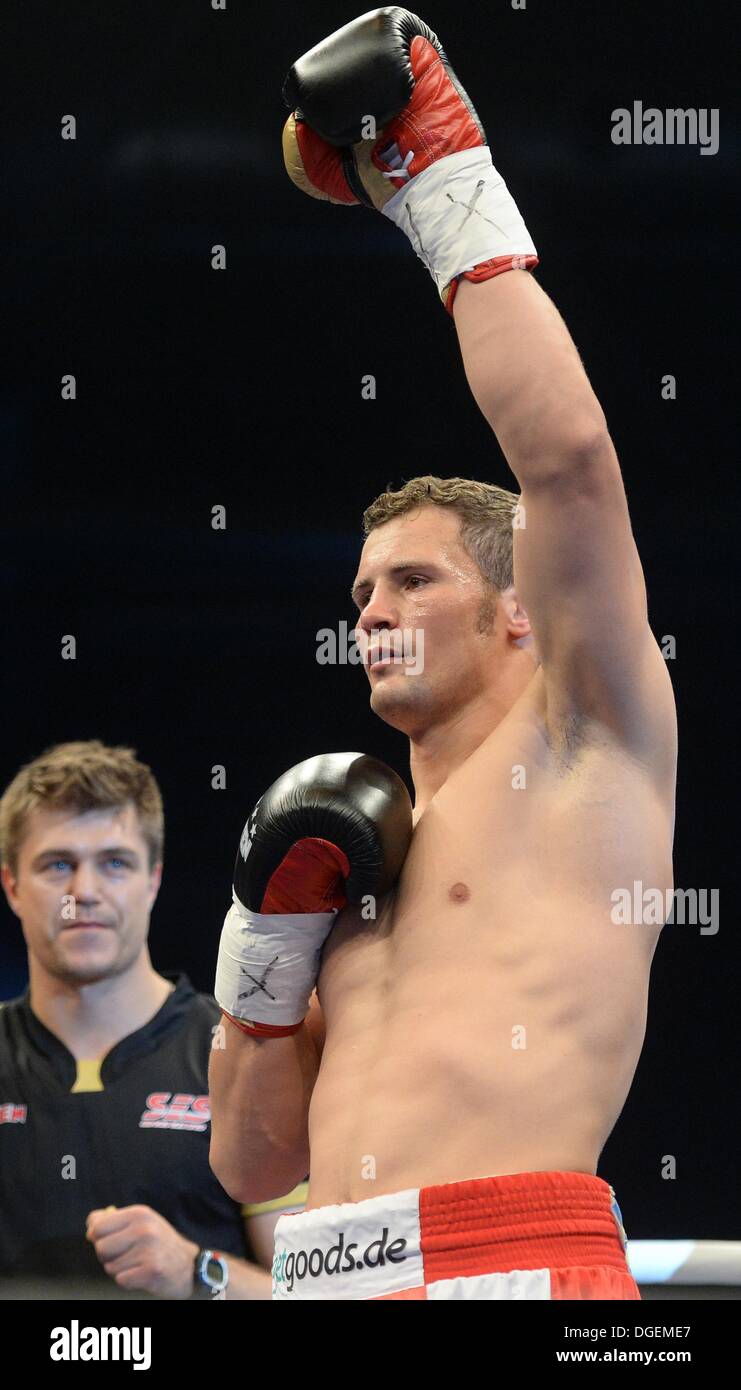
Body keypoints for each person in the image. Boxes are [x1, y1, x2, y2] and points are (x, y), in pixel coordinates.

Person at [209, 8, 677, 1301]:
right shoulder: (352, 845)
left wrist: (441, 185)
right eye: (360, 589)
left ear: (516, 604)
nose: (371, 609)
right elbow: (254, 1163)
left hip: (509, 1257)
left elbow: (570, 463)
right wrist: (260, 956)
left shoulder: (585, 742)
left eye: (412, 578)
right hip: (317, 1273)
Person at [0, 739, 304, 1299]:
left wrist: (197, 1271)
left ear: (153, 880)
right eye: (57, 864)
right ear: (12, 885)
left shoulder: (239, 1057)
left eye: (114, 863)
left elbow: (315, 1293)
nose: (83, 893)